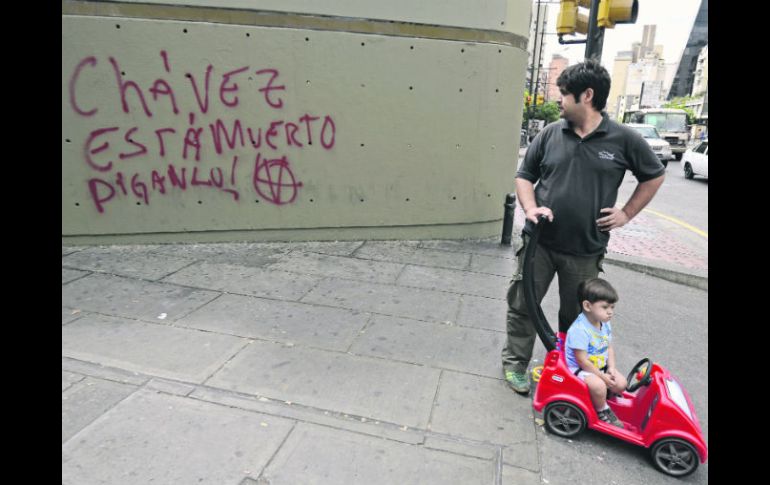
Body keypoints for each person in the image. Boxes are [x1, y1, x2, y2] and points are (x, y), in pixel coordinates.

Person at [502, 59, 665, 395]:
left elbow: (654, 175)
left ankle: (569, 372)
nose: (559, 100)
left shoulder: (623, 138)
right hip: (540, 244)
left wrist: (627, 213)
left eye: (564, 94)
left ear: (586, 95)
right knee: (523, 305)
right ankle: (516, 364)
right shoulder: (550, 133)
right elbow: (524, 176)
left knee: (578, 318)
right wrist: (530, 208)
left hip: (585, 251)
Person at [565, 278, 627, 428]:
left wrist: (611, 368)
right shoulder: (579, 330)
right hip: (579, 369)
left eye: (612, 307)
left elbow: (609, 347)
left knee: (621, 384)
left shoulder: (605, 324)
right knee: (599, 386)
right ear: (587, 306)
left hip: (598, 366)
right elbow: (582, 361)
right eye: (605, 307)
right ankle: (601, 410)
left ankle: (601, 396)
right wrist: (602, 378)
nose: (610, 312)